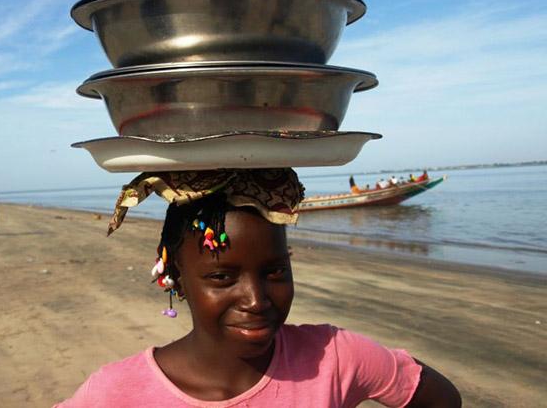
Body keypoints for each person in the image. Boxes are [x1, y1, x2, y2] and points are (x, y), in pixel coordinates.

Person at [55, 169, 461, 407]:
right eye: (222, 277)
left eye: (274, 272)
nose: (256, 300)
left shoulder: (336, 358)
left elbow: (440, 399)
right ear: (175, 276)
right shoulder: (112, 394)